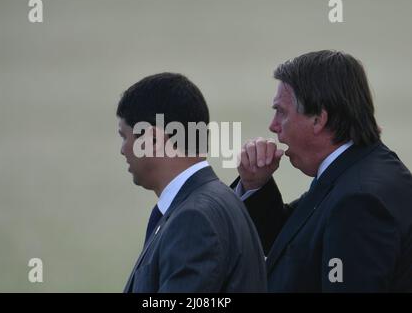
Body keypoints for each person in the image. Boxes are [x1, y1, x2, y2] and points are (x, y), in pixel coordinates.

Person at [234, 50, 412, 292]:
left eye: (281, 112)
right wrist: (255, 185)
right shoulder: (357, 169)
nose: (273, 126)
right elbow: (291, 239)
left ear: (319, 119)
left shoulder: (358, 200)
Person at [118, 72, 267, 292]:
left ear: (154, 139)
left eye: (125, 137)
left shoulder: (194, 219)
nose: (122, 150)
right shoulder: (215, 201)